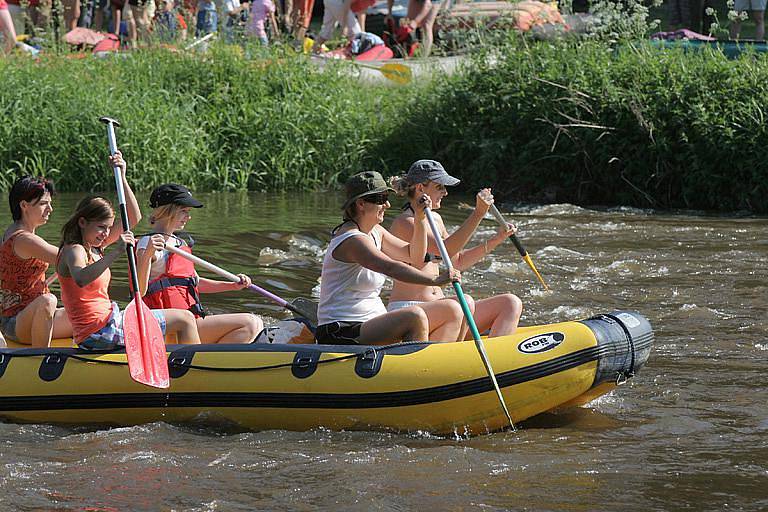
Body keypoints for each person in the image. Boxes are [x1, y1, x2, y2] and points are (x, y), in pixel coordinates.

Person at [316, 171, 465, 345]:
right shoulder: (352, 239)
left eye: (386, 197)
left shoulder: (376, 232)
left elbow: (414, 256)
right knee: (414, 316)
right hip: (340, 329)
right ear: (361, 203)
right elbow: (390, 267)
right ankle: (421, 368)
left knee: (453, 308)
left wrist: (420, 217)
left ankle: (439, 361)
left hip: (371, 322)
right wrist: (435, 280)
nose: (387, 204)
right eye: (380, 199)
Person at [56, 179, 201, 350]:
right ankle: (194, 368)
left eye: (110, 228)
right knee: (185, 319)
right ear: (82, 223)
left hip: (107, 323)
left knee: (184, 318)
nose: (106, 233)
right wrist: (117, 251)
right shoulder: (75, 250)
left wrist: (122, 176)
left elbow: (133, 217)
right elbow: (81, 278)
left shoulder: (95, 247)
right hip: (101, 332)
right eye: (102, 227)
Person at [388, 160, 523, 338]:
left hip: (443, 309)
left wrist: (497, 239)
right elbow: (446, 249)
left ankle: (501, 360)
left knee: (510, 303)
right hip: (411, 312)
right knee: (464, 302)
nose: (445, 192)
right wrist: (478, 214)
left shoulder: (435, 219)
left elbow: (457, 261)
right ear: (421, 188)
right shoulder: (405, 222)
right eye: (440, 187)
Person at [136, 184, 263, 344]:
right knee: (250, 324)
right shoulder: (148, 243)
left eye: (188, 212)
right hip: (166, 326)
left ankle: (211, 363)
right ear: (167, 210)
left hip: (187, 323)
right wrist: (147, 254)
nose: (188, 217)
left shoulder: (179, 243)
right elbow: (139, 290)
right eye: (184, 211)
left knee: (252, 324)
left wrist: (231, 285)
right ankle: (201, 363)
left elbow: (196, 283)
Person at [0, 177, 72, 347]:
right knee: (49, 300)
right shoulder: (25, 239)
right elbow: (70, 258)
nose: (50, 209)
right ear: (24, 205)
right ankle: (40, 358)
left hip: (25, 316)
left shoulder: (11, 233)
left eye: (50, 203)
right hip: (16, 324)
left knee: (88, 314)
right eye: (43, 204)